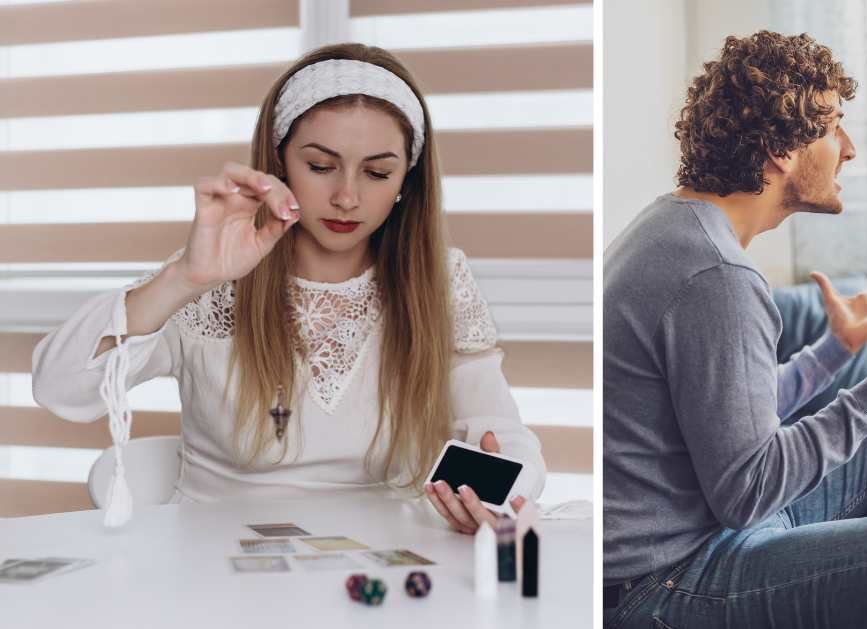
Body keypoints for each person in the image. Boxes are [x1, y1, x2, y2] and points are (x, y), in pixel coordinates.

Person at [31, 43, 545, 534]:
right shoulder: (210, 278)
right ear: (278, 162)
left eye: (377, 172)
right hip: (216, 562)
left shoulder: (440, 281)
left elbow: (506, 439)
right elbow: (60, 389)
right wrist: (186, 278)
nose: (346, 197)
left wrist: (490, 494)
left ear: (405, 182)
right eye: (320, 167)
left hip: (380, 567)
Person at [603, 31, 867, 629]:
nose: (849, 149)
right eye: (833, 127)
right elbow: (748, 492)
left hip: (698, 532)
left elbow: (730, 415)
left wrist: (834, 351)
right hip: (666, 583)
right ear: (779, 149)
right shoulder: (717, 275)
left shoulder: (674, 224)